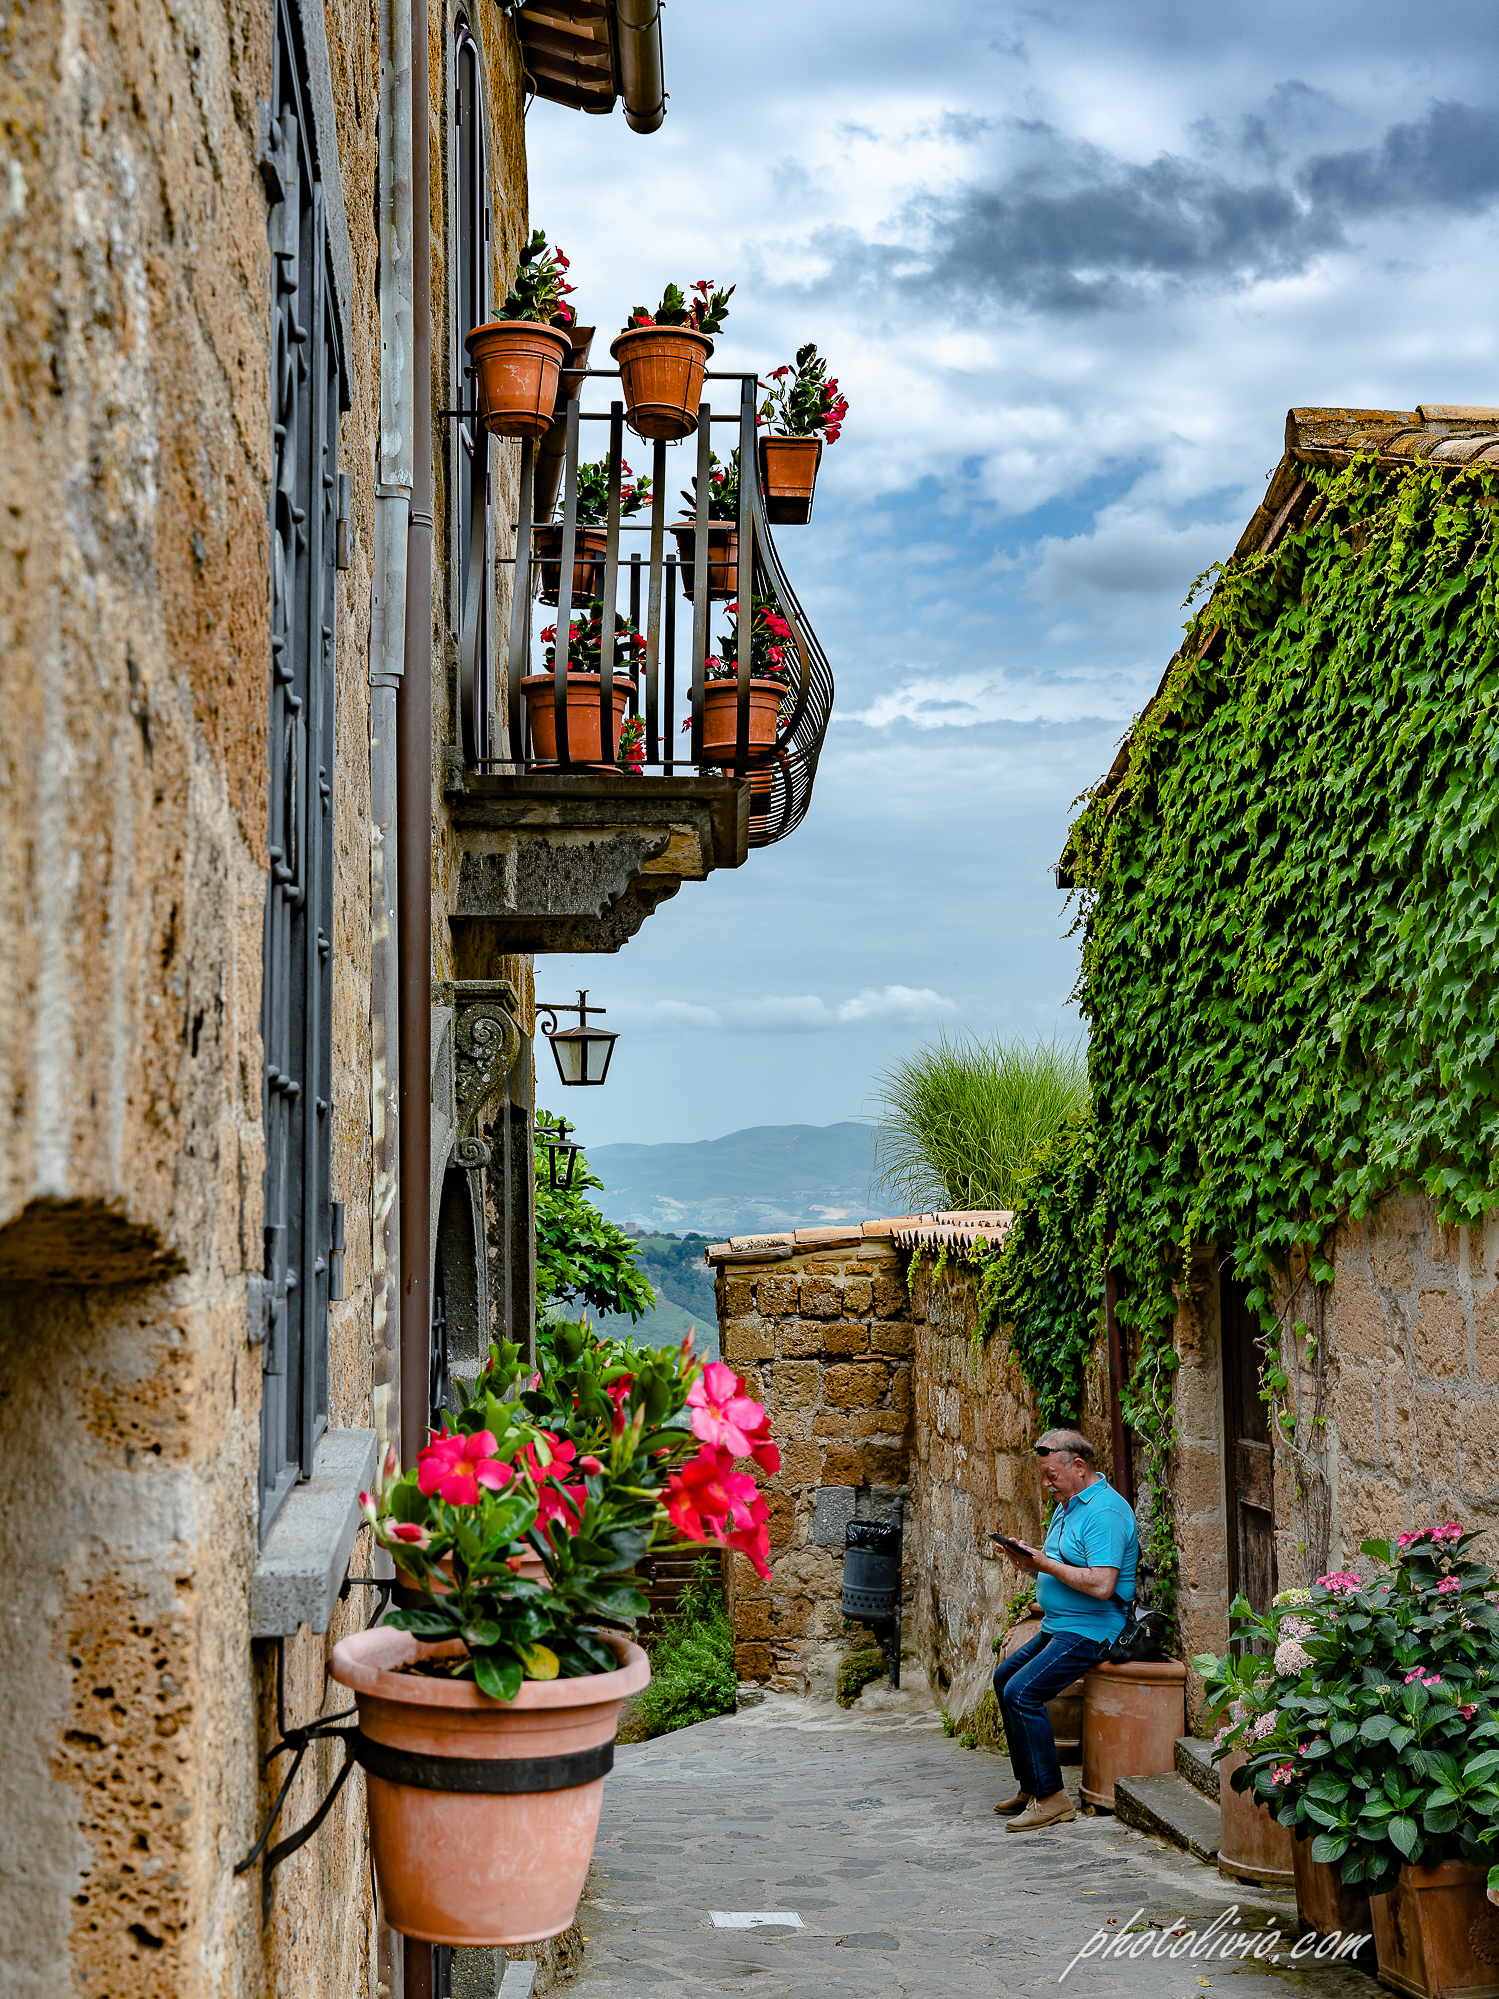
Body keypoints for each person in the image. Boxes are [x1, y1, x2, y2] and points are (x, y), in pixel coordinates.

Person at [989, 1428, 1139, 1831]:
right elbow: (1061, 1565)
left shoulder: (1104, 1513)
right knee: (1004, 1679)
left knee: (1022, 1692)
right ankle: (1031, 1787)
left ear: (1079, 1466)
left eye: (1051, 1475)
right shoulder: (1069, 1504)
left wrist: (1044, 1564)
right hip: (1061, 1625)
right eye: (1043, 1475)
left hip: (1092, 1630)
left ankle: (1053, 1798)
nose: (1046, 1484)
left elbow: (1102, 1585)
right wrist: (1028, 1561)